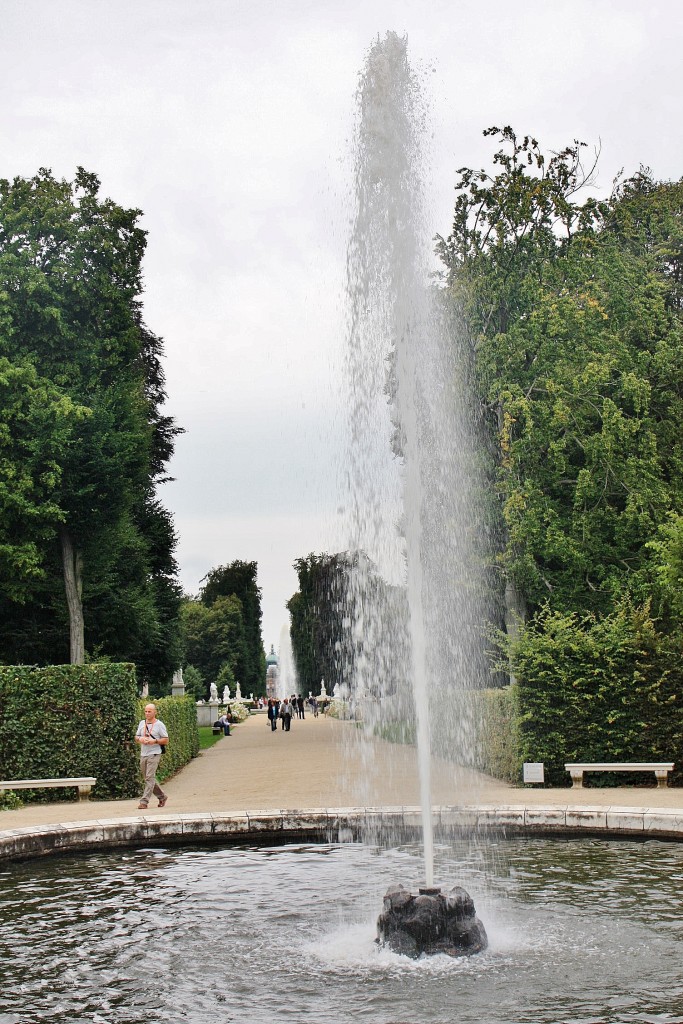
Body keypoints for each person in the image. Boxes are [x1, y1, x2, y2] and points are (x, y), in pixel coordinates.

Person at [135, 703, 168, 809]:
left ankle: (144, 802)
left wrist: (154, 741)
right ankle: (162, 796)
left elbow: (166, 740)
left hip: (154, 753)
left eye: (149, 711)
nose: (147, 713)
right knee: (148, 778)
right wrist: (140, 739)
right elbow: (136, 736)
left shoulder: (159, 725)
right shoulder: (142, 723)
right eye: (146, 711)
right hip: (143, 753)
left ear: (155, 712)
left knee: (149, 777)